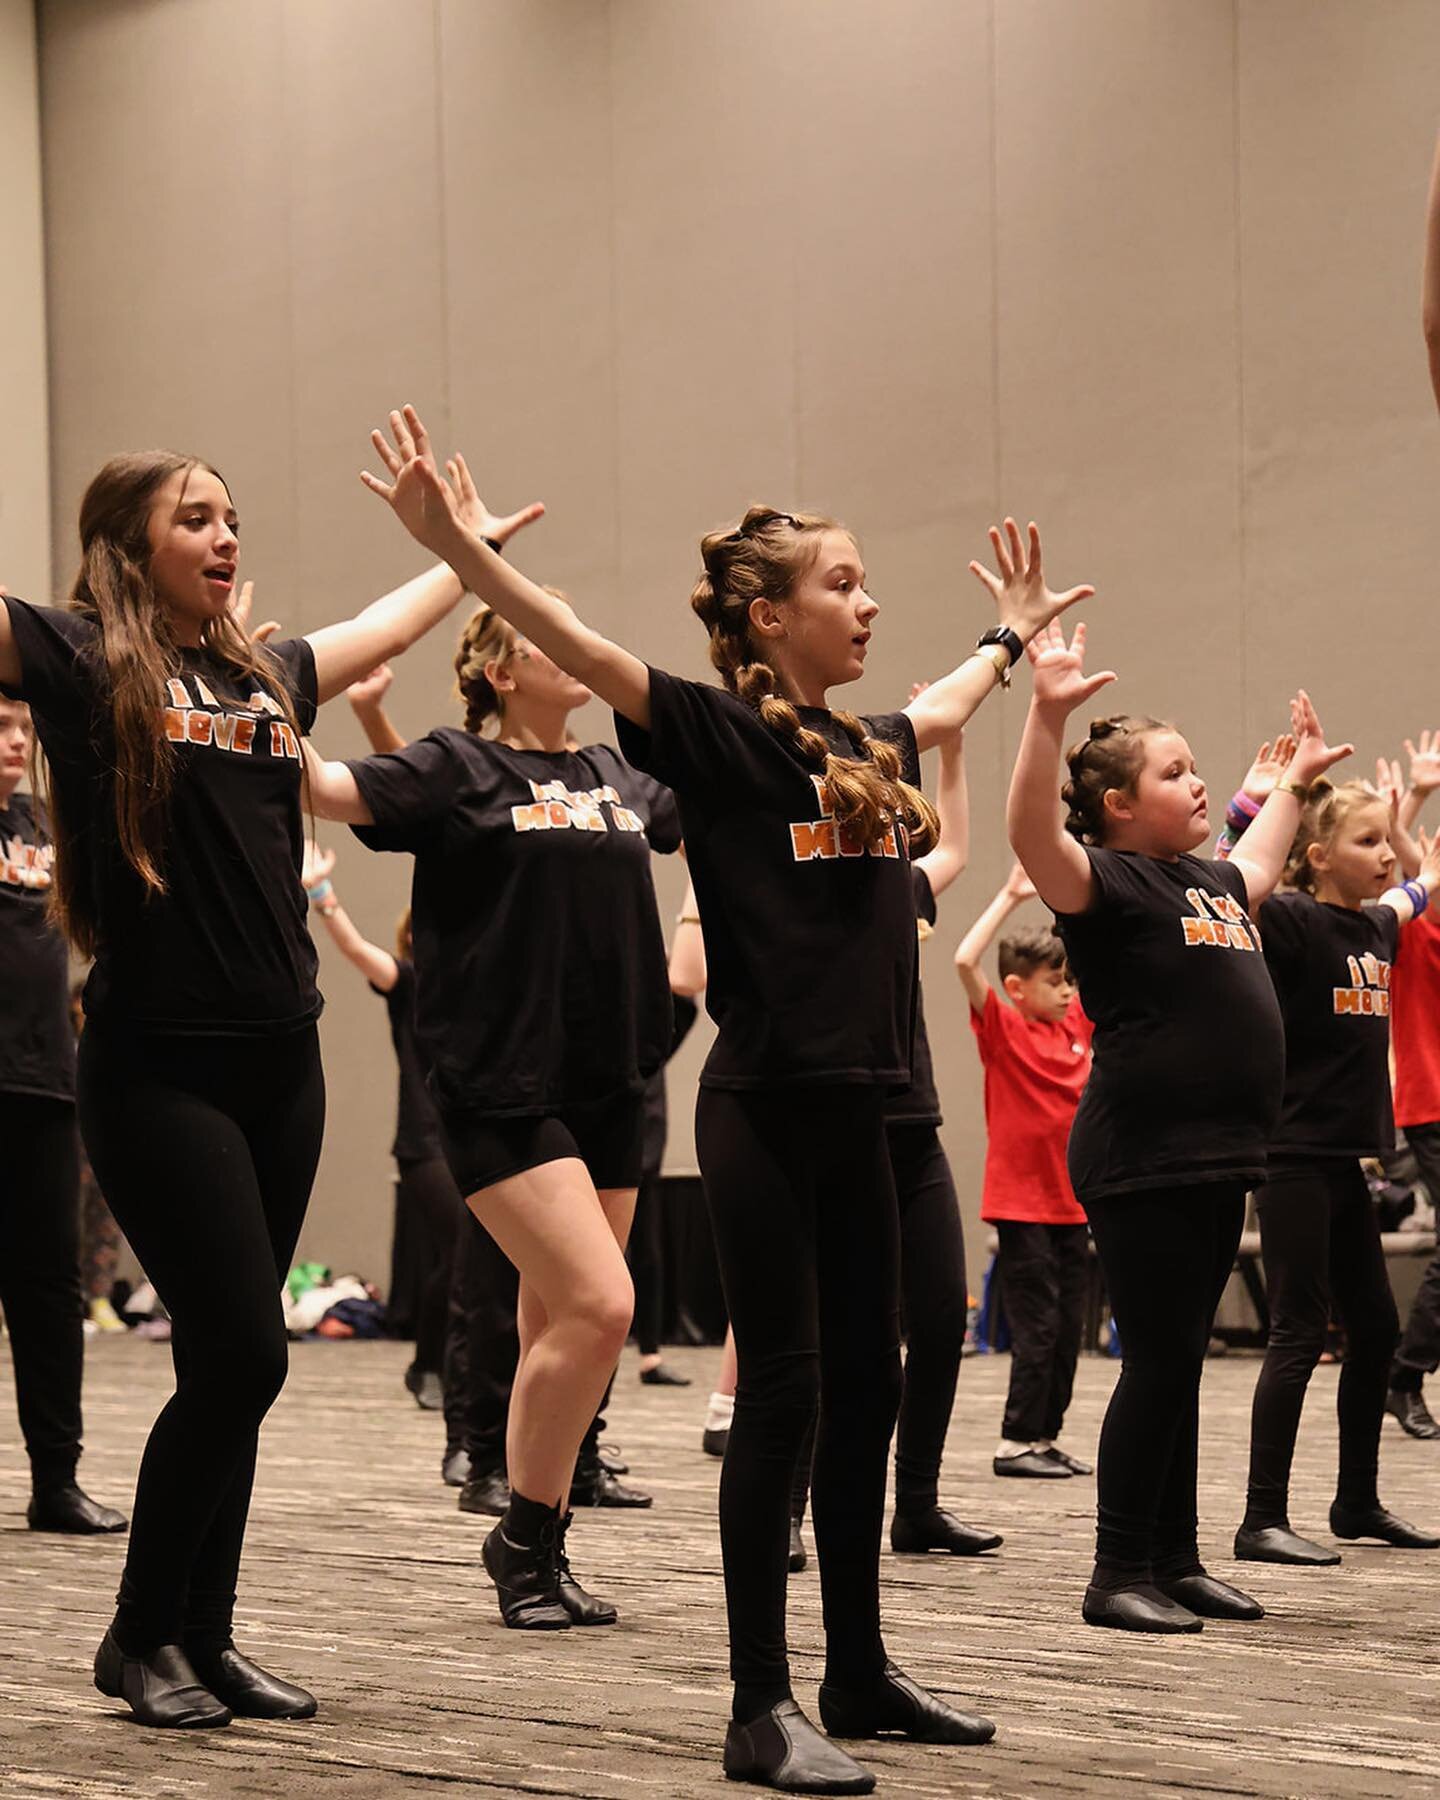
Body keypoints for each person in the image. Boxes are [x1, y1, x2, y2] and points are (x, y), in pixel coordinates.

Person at [359, 413, 1089, 1791]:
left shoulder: (859, 745)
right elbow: (578, 653)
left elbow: (933, 713)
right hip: (769, 1111)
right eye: (843, 585)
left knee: (869, 1390)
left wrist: (1006, 644)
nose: (868, 602)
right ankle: (762, 1703)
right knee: (789, 1400)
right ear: (768, 613)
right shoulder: (708, 735)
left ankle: (858, 1671)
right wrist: (457, 551)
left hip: (874, 1110)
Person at [0, 442, 541, 1729]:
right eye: (197, 518)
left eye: (234, 516)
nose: (227, 535)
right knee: (243, 1353)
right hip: (157, 1065)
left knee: (231, 1365)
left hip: (279, 1061)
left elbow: (374, 629)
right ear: (132, 547)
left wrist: (465, 554)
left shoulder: (265, 673)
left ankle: (205, 1631)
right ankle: (140, 1638)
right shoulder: (82, 661)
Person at [303, 487, 682, 1634]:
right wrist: (255, 713)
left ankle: (538, 1550)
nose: (569, 648)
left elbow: (708, 814)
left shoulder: (622, 778)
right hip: (498, 1080)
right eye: (542, 634)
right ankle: (519, 1537)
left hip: (613, 1075)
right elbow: (322, 788)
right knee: (600, 1306)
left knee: (552, 1323)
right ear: (497, 669)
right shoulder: (454, 767)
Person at [1007, 614, 1349, 1634]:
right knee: (1159, 1358)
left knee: (1182, 1358)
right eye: (1176, 773)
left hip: (1213, 1153)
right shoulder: (1105, 883)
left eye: (1199, 770)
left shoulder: (1213, 882)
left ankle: (1176, 1556)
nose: (1199, 784)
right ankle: (1117, 1570)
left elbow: (1266, 854)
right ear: (1118, 806)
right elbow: (1034, 833)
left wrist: (1293, 781)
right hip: (1142, 1154)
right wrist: (1045, 712)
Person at [1231, 779, 1440, 1563]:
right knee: (1296, 1331)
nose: (1384, 853)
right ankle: (1261, 1518)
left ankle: (1356, 1501)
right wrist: (1257, 806)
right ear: (1316, 857)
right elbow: (1232, 883)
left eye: (1386, 840)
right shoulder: (1289, 919)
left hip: (1344, 1161)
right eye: (1365, 841)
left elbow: (1417, 892)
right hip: (1292, 1154)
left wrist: (1418, 840)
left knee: (1378, 1328)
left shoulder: (1377, 926)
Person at [0, 694, 127, 1535]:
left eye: (21, 728)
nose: (15, 743)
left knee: (49, 1289)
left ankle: (57, 1479)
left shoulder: (43, 822)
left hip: (44, 1085)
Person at [953, 863, 1093, 1481]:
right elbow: (962, 961)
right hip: (1020, 1205)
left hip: (1074, 1204)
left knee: (1068, 1333)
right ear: (1017, 987)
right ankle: (1014, 1441)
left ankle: (1044, 1434)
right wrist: (1008, 896)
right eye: (1053, 983)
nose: (1066, 992)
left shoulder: (1077, 1026)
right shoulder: (1004, 1031)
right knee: (1036, 1329)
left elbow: (1094, 955)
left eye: (1068, 981)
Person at [1386, 732, 1440, 1437]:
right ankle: (1404, 1374)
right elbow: (1412, 872)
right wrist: (1417, 798)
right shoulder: (1416, 938)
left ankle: (1405, 1373)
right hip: (1430, 1107)